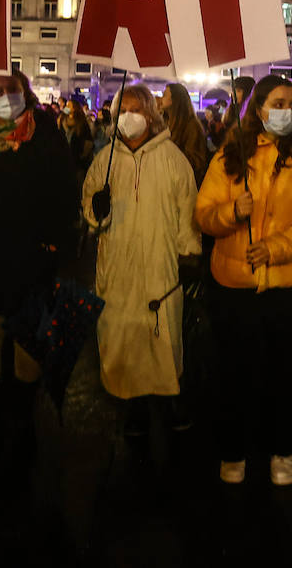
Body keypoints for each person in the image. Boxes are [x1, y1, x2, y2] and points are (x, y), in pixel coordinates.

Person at [195, 75, 292, 486]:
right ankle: (233, 448)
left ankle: (280, 447)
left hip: (289, 287)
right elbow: (203, 214)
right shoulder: (230, 155)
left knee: (285, 372)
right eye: (278, 102)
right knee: (236, 370)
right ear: (258, 109)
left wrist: (277, 248)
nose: (287, 110)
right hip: (235, 284)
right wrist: (231, 214)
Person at [0, 70, 79, 448]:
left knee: (28, 353)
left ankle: (23, 420)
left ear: (25, 91)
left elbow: (64, 192)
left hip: (31, 262)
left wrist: (55, 243)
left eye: (12, 88)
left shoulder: (46, 134)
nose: (6, 95)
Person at [82, 85, 201, 436]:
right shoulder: (105, 161)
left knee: (161, 339)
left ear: (150, 115)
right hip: (117, 268)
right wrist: (95, 210)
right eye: (123, 110)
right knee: (124, 337)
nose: (129, 117)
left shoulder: (173, 159)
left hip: (160, 268)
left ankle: (168, 403)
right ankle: (132, 408)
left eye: (136, 110)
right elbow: (89, 202)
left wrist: (189, 252)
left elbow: (187, 211)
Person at [159, 82, 210, 186]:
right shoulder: (165, 122)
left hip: (184, 184)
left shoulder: (192, 126)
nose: (161, 99)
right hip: (167, 182)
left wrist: (170, 155)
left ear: (175, 100)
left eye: (164, 95)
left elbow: (196, 161)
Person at [60, 97, 97, 186]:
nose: (67, 107)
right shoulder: (62, 121)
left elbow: (88, 141)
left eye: (69, 105)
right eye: (66, 105)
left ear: (75, 108)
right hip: (63, 158)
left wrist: (83, 155)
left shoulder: (81, 122)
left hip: (78, 161)